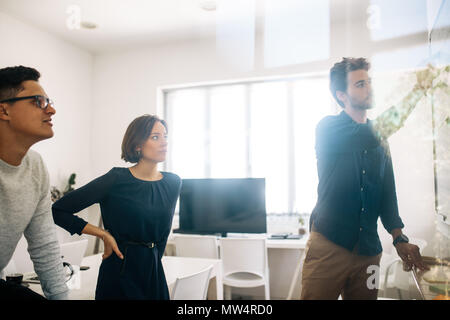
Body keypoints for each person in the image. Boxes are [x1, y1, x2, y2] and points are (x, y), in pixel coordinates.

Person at [301, 57, 434, 300]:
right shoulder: (328, 129)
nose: (369, 88)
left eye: (369, 82)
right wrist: (418, 91)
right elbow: (370, 134)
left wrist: (399, 238)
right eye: (360, 84)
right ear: (341, 95)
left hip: (369, 253)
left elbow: (387, 193)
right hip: (329, 246)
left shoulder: (380, 140)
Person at [52, 114, 181, 300]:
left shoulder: (173, 182)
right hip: (119, 270)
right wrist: (103, 234)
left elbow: (163, 234)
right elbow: (58, 210)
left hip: (154, 271)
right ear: (137, 145)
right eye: (155, 137)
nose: (164, 142)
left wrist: (150, 261)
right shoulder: (115, 179)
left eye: (165, 136)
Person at [0, 66, 69, 300]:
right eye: (39, 101)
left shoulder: (35, 166)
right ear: (4, 111)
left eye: (48, 101)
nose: (52, 110)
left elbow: (45, 246)